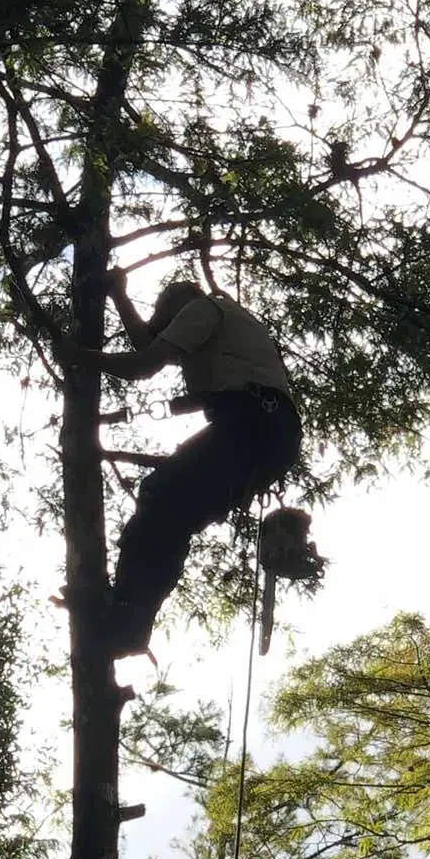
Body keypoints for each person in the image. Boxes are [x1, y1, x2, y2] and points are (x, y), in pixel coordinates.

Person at [61, 271, 302, 657]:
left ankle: (127, 615)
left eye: (164, 318)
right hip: (269, 431)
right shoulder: (228, 330)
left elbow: (143, 363)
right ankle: (131, 619)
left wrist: (77, 357)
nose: (164, 327)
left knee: (162, 493)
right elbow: (151, 346)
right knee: (176, 518)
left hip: (251, 424)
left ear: (178, 304)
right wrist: (120, 297)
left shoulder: (202, 309)